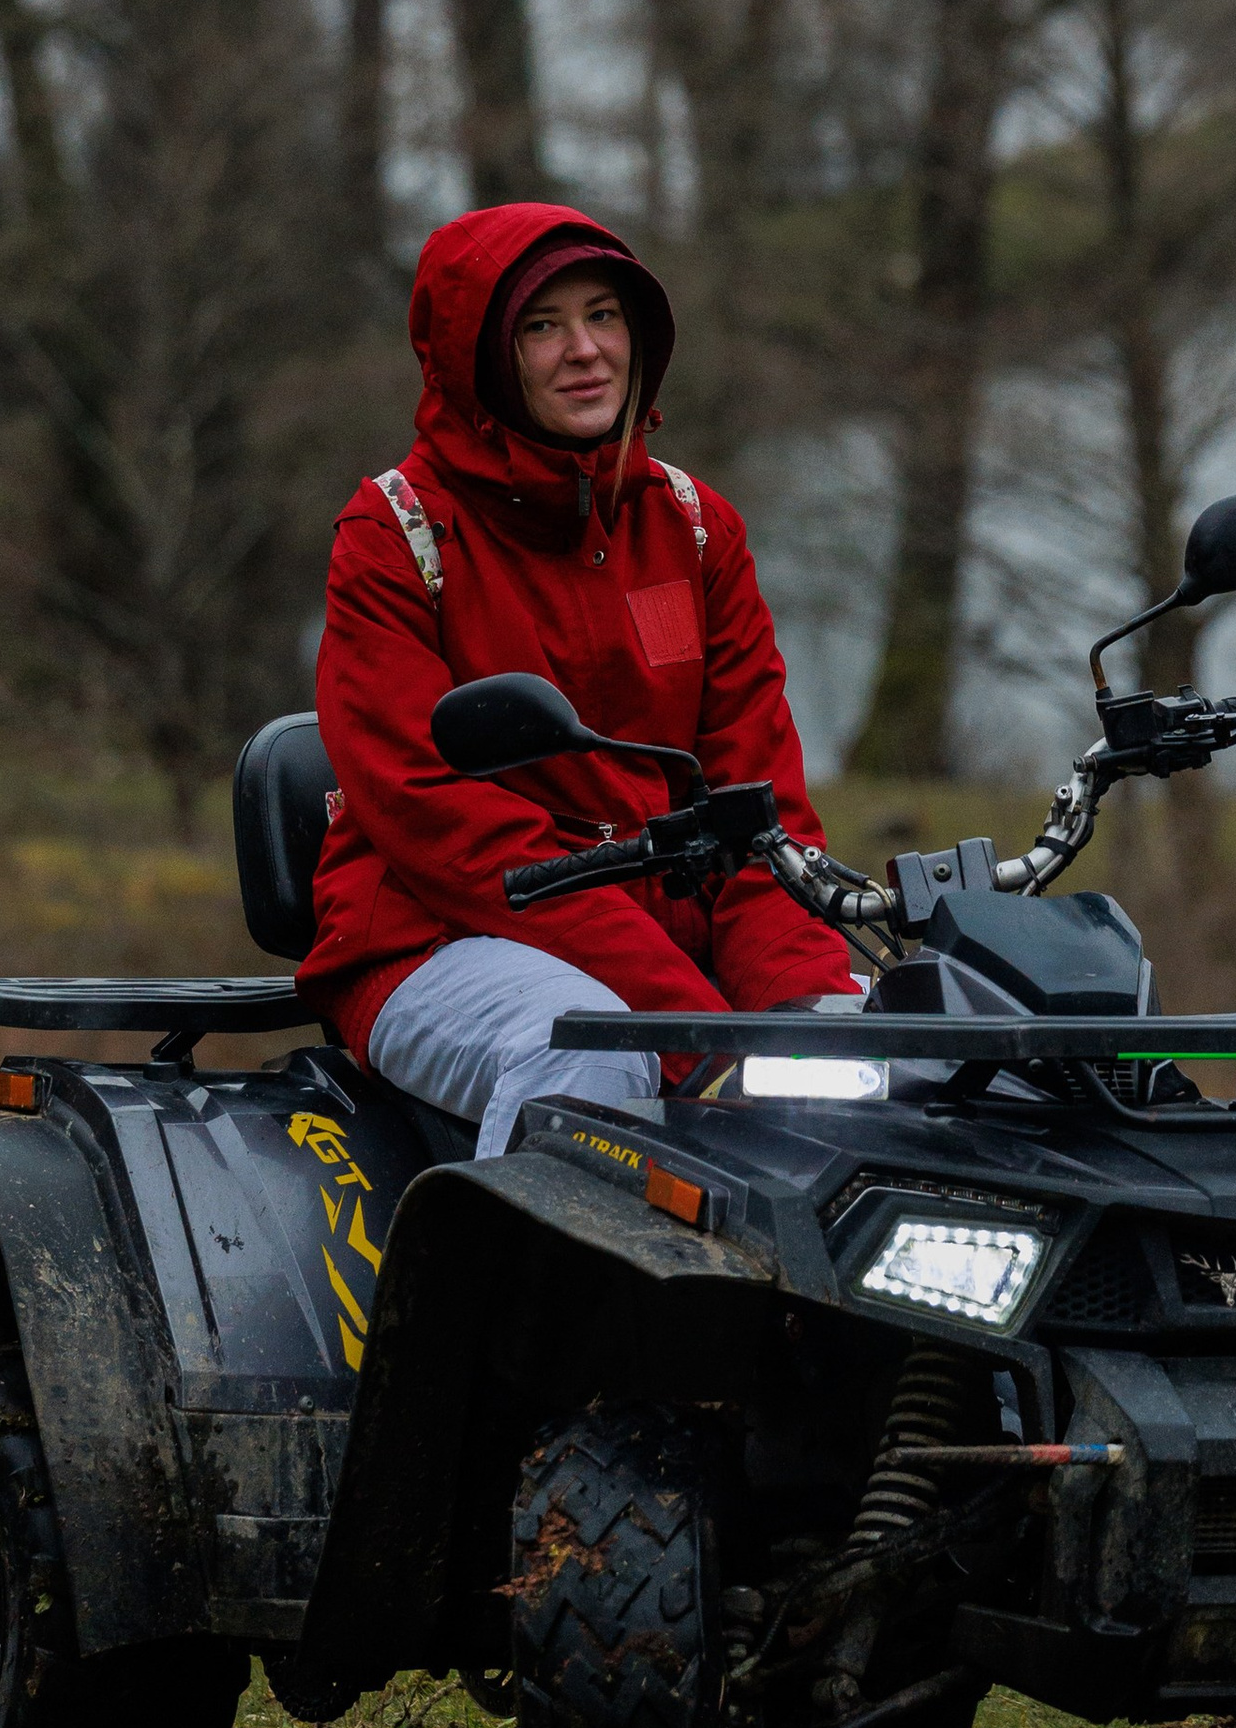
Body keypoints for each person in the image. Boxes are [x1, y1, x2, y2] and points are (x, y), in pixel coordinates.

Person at [301, 202, 855, 1156]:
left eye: (604, 315)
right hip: (433, 941)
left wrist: (804, 1002)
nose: (586, 351)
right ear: (479, 358)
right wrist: (690, 1026)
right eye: (541, 326)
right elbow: (447, 832)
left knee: (883, 1055)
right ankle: (491, 1306)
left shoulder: (693, 528)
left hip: (665, 951)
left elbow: (755, 809)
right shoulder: (394, 537)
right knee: (592, 1057)